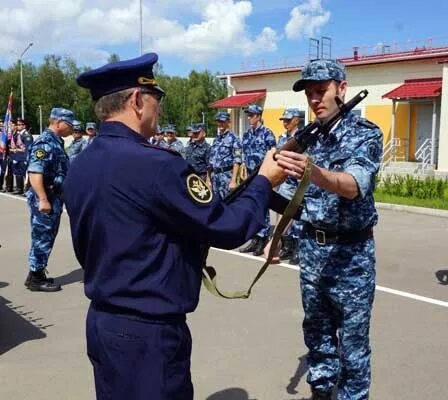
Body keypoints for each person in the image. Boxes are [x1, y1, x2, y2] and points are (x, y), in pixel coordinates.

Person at [64, 53, 286, 400]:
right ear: (137, 100)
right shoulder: (156, 165)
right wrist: (263, 182)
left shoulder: (81, 163)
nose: (161, 109)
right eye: (157, 98)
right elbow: (226, 227)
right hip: (148, 336)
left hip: (104, 323)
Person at [276, 59, 383, 400]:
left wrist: (315, 173)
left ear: (342, 89)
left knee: (352, 345)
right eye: (309, 94)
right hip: (311, 252)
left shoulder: (366, 134)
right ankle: (321, 392)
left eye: (321, 91)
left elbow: (354, 185)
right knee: (317, 335)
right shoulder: (307, 139)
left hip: (351, 257)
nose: (315, 100)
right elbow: (288, 200)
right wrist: (272, 232)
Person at [24, 108, 74, 292]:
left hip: (53, 198)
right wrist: (43, 199)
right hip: (46, 198)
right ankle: (35, 278)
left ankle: (36, 273)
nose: (71, 128)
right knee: (42, 237)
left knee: (46, 236)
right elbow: (35, 172)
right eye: (69, 125)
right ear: (58, 122)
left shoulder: (56, 142)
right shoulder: (45, 143)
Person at [238, 104, 276, 256]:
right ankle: (254, 237)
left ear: (259, 116)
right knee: (253, 205)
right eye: (248, 115)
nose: (249, 118)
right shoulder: (247, 135)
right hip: (250, 176)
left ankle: (263, 238)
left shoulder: (267, 134)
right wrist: (244, 170)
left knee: (264, 207)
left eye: (252, 115)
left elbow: (273, 156)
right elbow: (244, 155)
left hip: (264, 175)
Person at [275, 107, 302, 264]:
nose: (285, 122)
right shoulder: (281, 138)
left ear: (296, 120)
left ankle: (298, 249)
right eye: (283, 120)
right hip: (284, 182)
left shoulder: (302, 138)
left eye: (288, 120)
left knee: (297, 217)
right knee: (283, 214)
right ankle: (288, 245)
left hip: (298, 182)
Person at [208, 111, 241, 200]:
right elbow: (210, 162)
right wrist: (208, 179)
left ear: (228, 122)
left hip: (226, 177)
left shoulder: (234, 138)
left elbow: (237, 160)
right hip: (215, 178)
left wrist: (233, 181)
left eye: (223, 121)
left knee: (227, 204)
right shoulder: (216, 140)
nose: (220, 124)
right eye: (218, 121)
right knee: (215, 205)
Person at [8, 117, 33, 195]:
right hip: (17, 157)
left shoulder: (27, 135)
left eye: (19, 124)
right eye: (17, 124)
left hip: (23, 157)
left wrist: (26, 159)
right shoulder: (18, 134)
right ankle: (20, 189)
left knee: (26, 175)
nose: (18, 126)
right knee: (18, 173)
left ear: (24, 126)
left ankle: (29, 191)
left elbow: (28, 148)